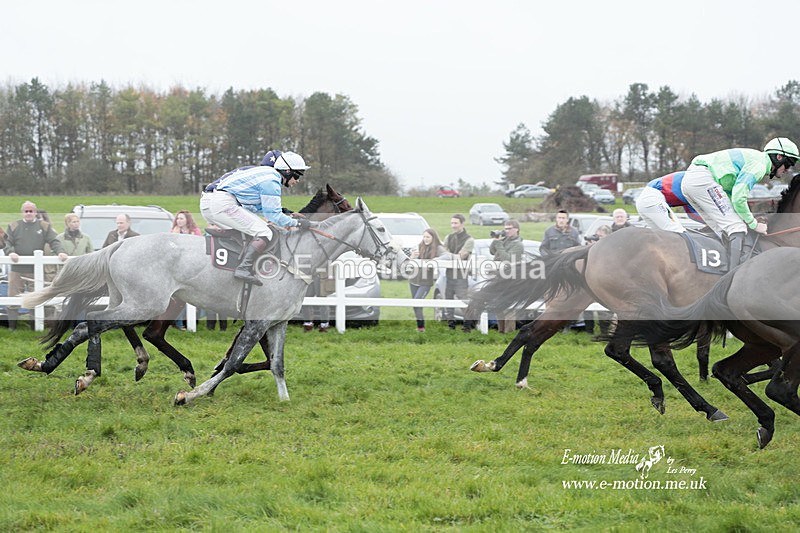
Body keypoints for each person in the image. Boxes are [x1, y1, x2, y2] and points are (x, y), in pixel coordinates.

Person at [200, 151, 313, 286]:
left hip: (211, 204)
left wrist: (284, 212)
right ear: (287, 171)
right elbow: (273, 216)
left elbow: (255, 207)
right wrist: (298, 223)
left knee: (252, 230)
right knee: (265, 232)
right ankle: (243, 268)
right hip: (223, 203)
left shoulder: (265, 174)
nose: (298, 180)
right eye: (297, 174)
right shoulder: (272, 180)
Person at [680, 137, 799, 265]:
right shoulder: (759, 165)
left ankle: (718, 270)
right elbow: (739, 197)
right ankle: (735, 274)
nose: (787, 170)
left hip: (693, 180)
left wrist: (745, 218)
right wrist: (753, 224)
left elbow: (731, 195)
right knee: (737, 227)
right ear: (779, 157)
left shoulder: (756, 160)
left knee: (722, 230)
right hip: (702, 180)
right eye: (788, 164)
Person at [3, 201, 68, 330]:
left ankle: (34, 327)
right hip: (17, 269)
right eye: (26, 211)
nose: (28, 213)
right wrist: (11, 253)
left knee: (35, 297)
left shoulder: (44, 226)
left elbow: (54, 241)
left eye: (31, 211)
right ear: (22, 212)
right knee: (13, 297)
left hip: (36, 270)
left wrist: (60, 252)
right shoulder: (14, 226)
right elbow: (7, 242)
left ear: (35, 212)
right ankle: (12, 328)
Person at [635, 171, 704, 233]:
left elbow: (692, 214)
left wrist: (709, 223)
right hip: (652, 200)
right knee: (679, 233)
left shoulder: (692, 184)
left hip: (644, 202)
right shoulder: (694, 184)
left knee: (663, 239)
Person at [407, 228, 446, 332]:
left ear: (433, 237)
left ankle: (421, 327)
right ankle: (420, 327)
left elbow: (446, 256)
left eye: (428, 237)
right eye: (424, 236)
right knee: (415, 304)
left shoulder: (438, 248)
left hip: (425, 282)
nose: (425, 239)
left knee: (417, 301)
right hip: (413, 279)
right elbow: (410, 262)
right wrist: (412, 257)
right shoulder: (420, 246)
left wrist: (436, 260)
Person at [489, 219, 525, 333]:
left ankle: (509, 332)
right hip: (499, 276)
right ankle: (501, 331)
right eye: (505, 228)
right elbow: (492, 251)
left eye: (509, 228)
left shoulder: (518, 245)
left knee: (509, 308)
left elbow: (508, 259)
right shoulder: (504, 241)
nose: (507, 231)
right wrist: (496, 241)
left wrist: (499, 244)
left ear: (517, 230)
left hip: (510, 278)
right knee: (498, 305)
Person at [442, 214, 475, 331]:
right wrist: (451, 255)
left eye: (455, 223)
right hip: (449, 274)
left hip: (461, 275)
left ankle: (467, 326)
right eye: (452, 223)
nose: (453, 226)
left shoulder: (469, 240)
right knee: (448, 299)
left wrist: (449, 255)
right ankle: (451, 325)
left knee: (463, 300)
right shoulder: (448, 237)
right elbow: (443, 253)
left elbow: (461, 256)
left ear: (462, 224)